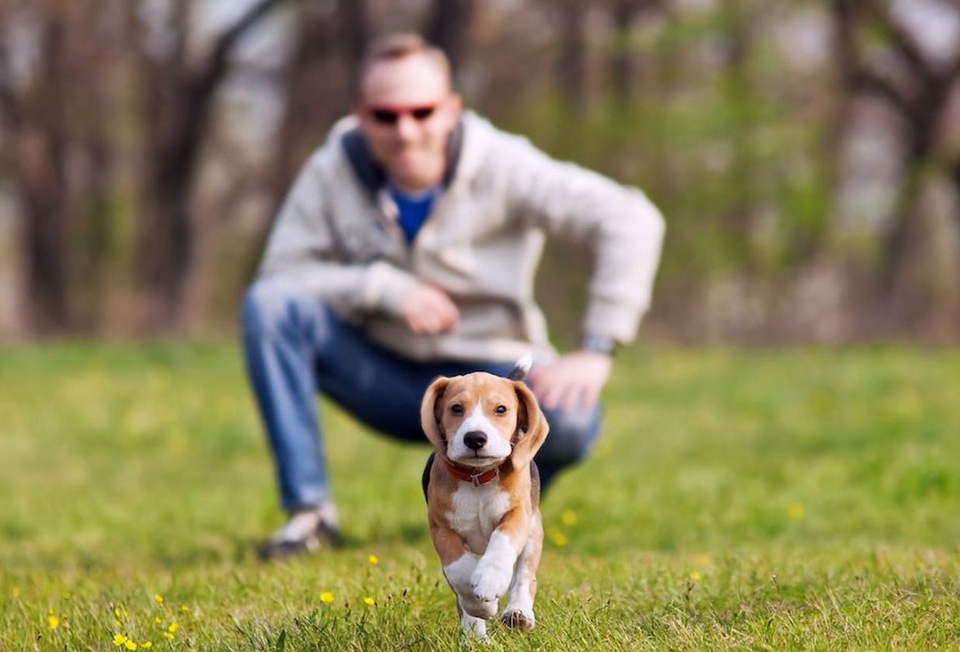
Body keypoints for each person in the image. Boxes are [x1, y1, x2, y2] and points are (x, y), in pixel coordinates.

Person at [241, 33, 664, 559]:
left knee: (574, 421)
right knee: (271, 308)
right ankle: (309, 515)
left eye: (422, 112)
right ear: (361, 115)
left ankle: (508, 503)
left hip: (495, 366)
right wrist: (383, 288)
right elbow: (280, 275)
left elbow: (630, 217)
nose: (406, 130)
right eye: (386, 115)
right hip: (384, 374)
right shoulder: (332, 169)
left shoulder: (503, 163)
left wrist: (597, 345)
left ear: (451, 110)